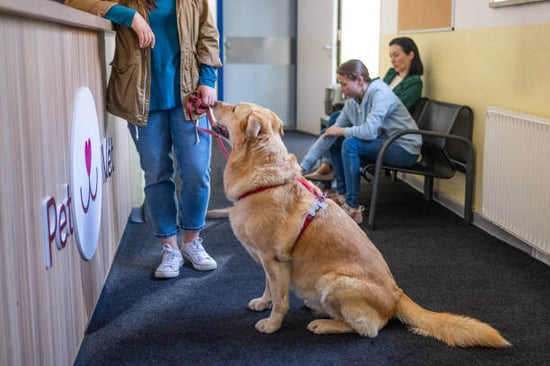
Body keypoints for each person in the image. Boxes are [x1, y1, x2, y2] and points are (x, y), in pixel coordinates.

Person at [66, 0, 222, 279]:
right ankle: (170, 248)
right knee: (156, 174)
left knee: (197, 172)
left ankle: (192, 242)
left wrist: (208, 79)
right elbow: (77, 1)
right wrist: (130, 16)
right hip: (141, 98)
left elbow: (207, 34)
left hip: (189, 96)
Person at [300, 59, 422, 224]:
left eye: (344, 84)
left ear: (359, 80)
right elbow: (329, 135)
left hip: (404, 147)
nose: (342, 90)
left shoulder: (380, 93)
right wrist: (303, 167)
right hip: (384, 142)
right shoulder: (352, 102)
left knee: (349, 142)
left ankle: (353, 208)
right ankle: (343, 196)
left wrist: (341, 131)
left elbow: (370, 131)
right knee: (336, 137)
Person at [304, 36, 424, 182]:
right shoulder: (391, 74)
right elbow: (372, 100)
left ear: (411, 55)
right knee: (336, 120)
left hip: (391, 130)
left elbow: (394, 108)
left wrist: (345, 129)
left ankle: (328, 167)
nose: (392, 60)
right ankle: (326, 167)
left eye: (396, 55)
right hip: (376, 121)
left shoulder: (414, 82)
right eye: (390, 55)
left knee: (339, 130)